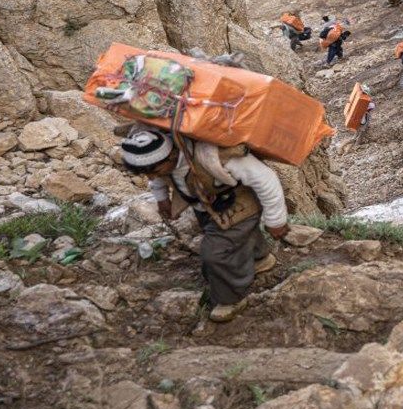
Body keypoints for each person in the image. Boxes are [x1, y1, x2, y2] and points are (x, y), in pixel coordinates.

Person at [120, 127, 287, 322]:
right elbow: (159, 179)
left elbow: (266, 180)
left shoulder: (213, 156)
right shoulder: (162, 164)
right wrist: (162, 198)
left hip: (239, 207)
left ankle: (230, 299)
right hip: (206, 209)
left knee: (214, 253)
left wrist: (276, 220)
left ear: (172, 154)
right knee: (236, 238)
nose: (150, 177)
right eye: (146, 173)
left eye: (154, 171)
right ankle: (259, 259)